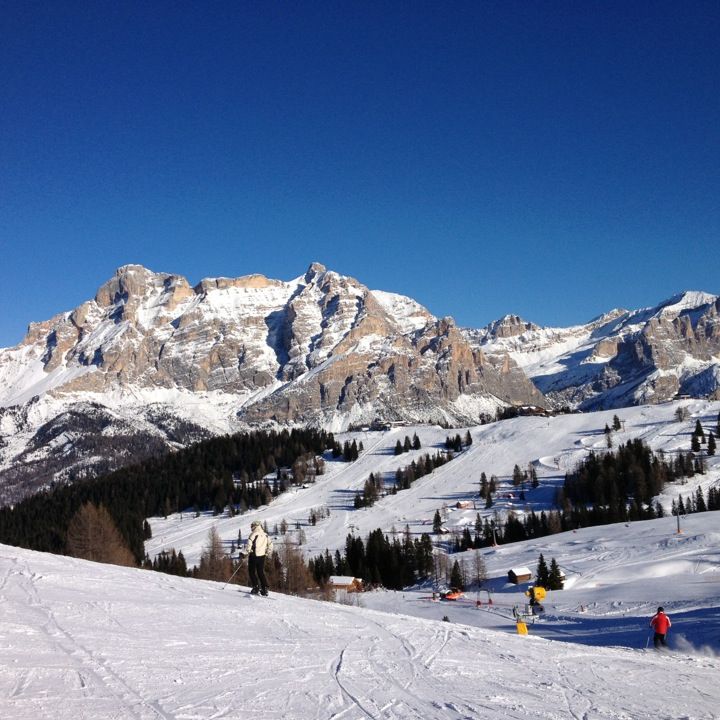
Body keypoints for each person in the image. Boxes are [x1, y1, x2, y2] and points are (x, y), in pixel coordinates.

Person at [245, 521, 269, 596]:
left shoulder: (253, 534)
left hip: (254, 555)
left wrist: (248, 550)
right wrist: (267, 552)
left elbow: (249, 542)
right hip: (262, 556)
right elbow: (271, 545)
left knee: (251, 571)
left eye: (252, 526)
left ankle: (256, 587)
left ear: (255, 526)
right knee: (260, 572)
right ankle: (265, 588)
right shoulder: (265, 534)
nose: (251, 527)